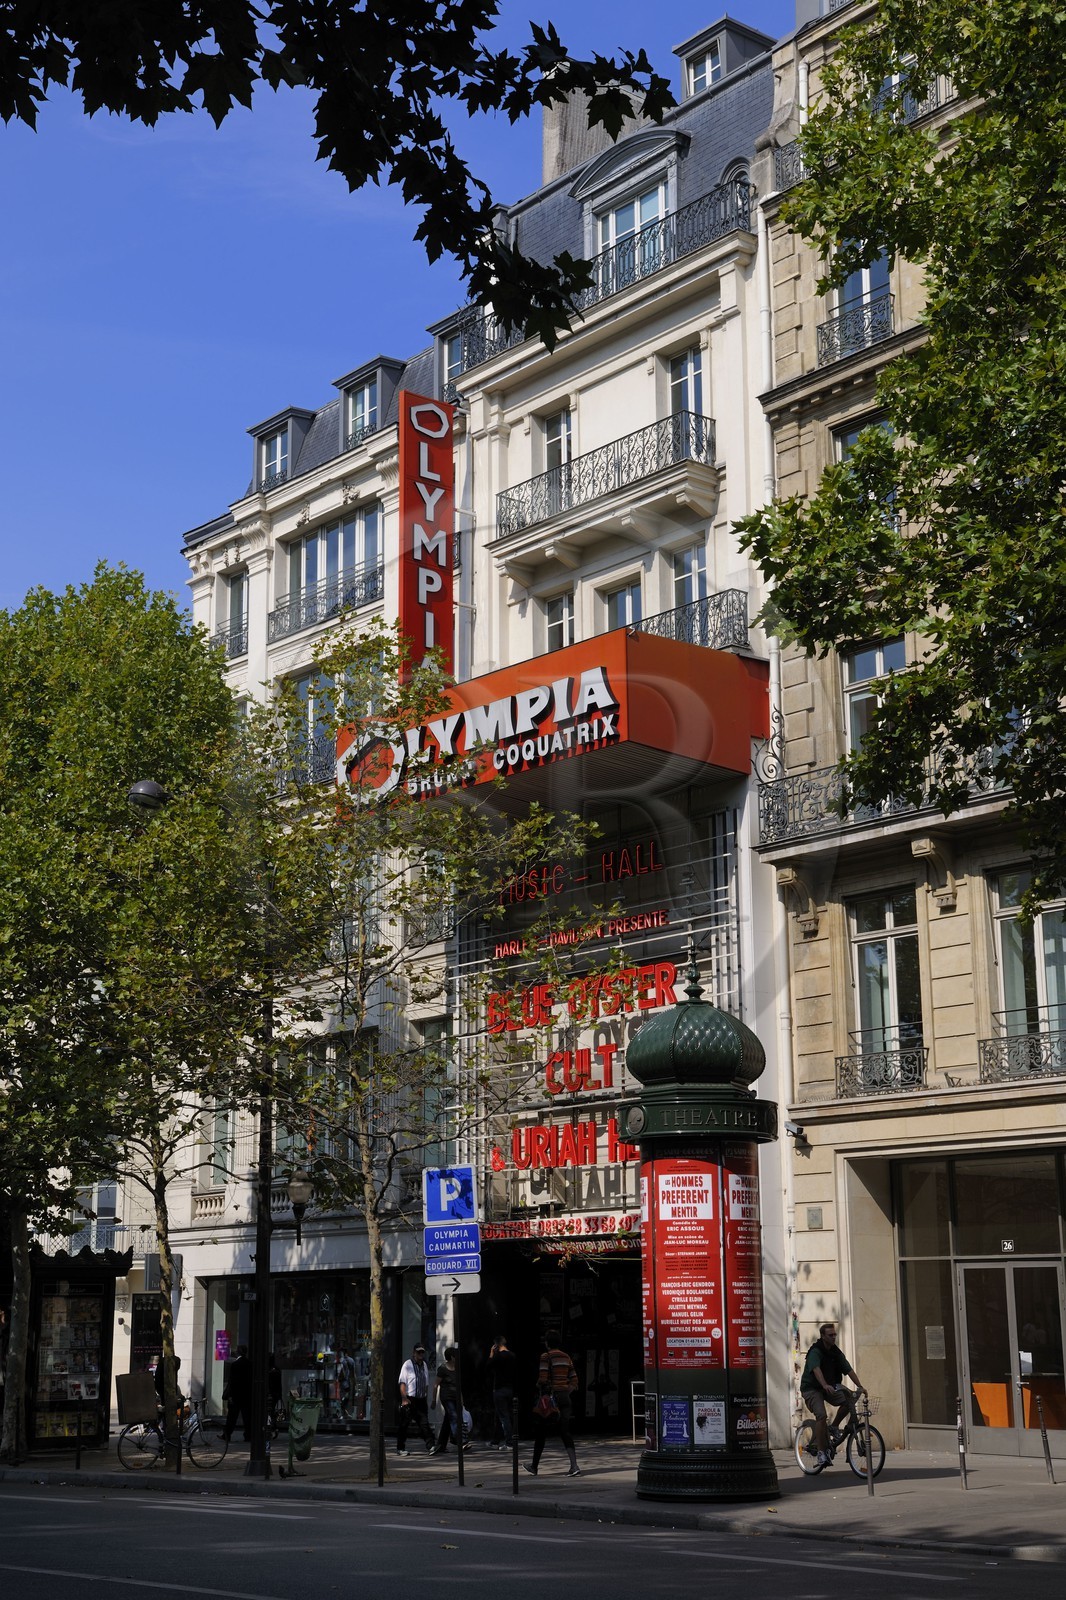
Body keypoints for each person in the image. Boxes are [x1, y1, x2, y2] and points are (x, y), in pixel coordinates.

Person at [800, 1322, 867, 1466]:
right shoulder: (816, 1351)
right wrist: (824, 1384)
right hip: (812, 1388)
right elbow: (816, 1369)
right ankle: (821, 1453)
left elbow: (848, 1370)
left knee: (850, 1399)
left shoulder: (836, 1352)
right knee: (822, 1415)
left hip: (829, 1387)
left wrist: (860, 1386)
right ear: (823, 1336)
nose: (833, 1337)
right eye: (830, 1335)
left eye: (834, 1334)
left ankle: (834, 1426)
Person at [525, 1335, 580, 1477]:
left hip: (550, 1399)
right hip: (565, 1398)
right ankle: (574, 1465)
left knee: (541, 1432)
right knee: (565, 1431)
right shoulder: (566, 1356)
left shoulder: (546, 1356)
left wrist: (538, 1384)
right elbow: (574, 1379)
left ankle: (534, 1466)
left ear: (547, 1343)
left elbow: (543, 1378)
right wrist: (566, 1391)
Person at [396, 1343, 434, 1455]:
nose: (421, 1354)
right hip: (409, 1399)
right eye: (419, 1352)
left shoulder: (425, 1365)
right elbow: (402, 1383)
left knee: (424, 1424)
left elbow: (426, 1384)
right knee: (404, 1424)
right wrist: (404, 1399)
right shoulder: (407, 1365)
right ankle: (400, 1448)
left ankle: (431, 1446)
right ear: (414, 1353)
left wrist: (425, 1397)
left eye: (422, 1352)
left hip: (421, 1399)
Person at [488, 1334, 516, 1449]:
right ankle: (495, 1441)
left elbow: (488, 1367)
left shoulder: (498, 1356)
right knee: (501, 1415)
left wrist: (491, 1353)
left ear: (496, 1345)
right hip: (510, 1389)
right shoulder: (513, 1356)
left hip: (499, 1389)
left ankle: (509, 1443)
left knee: (504, 1417)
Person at [431, 1345, 461, 1454]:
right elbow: (435, 1385)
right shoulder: (442, 1369)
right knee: (453, 1416)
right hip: (446, 1397)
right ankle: (458, 1440)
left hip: (455, 1397)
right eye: (456, 1356)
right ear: (452, 1357)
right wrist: (434, 1400)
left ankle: (441, 1445)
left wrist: (461, 1400)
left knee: (448, 1421)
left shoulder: (457, 1368)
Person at [222, 1343, 253, 1443]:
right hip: (247, 1395)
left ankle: (227, 1435)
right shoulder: (250, 1364)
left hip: (236, 1395)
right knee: (247, 1417)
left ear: (238, 1352)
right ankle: (248, 1435)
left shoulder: (235, 1365)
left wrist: (230, 1395)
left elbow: (232, 1381)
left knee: (232, 1417)